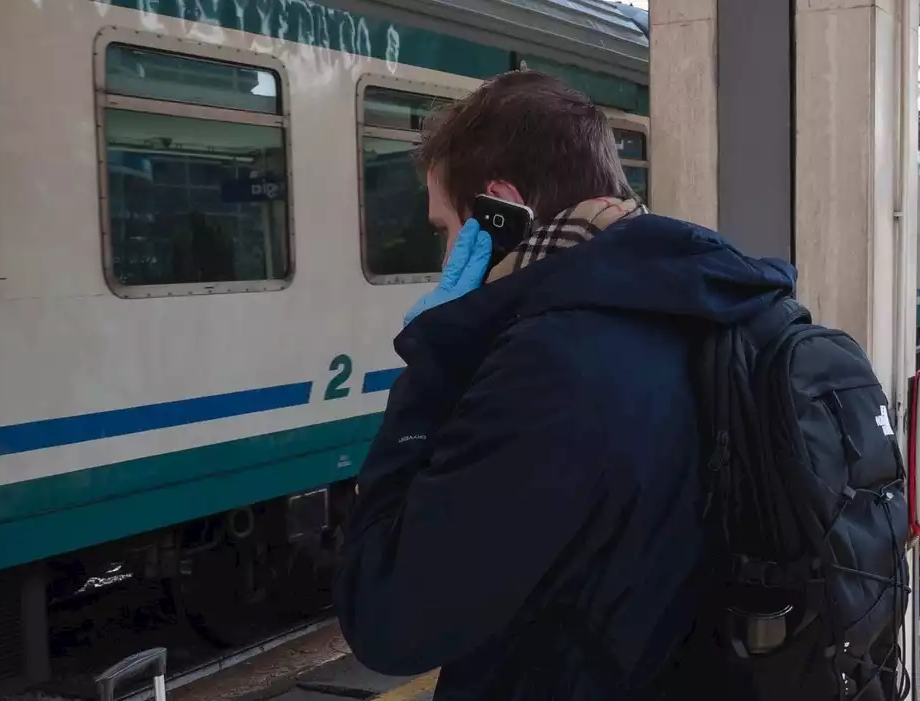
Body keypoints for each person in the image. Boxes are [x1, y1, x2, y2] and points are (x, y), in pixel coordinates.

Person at [334, 70, 796, 699]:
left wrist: (433, 366)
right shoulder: (714, 309)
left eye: (445, 229)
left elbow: (389, 621)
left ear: (498, 212)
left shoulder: (548, 370)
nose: (445, 259)